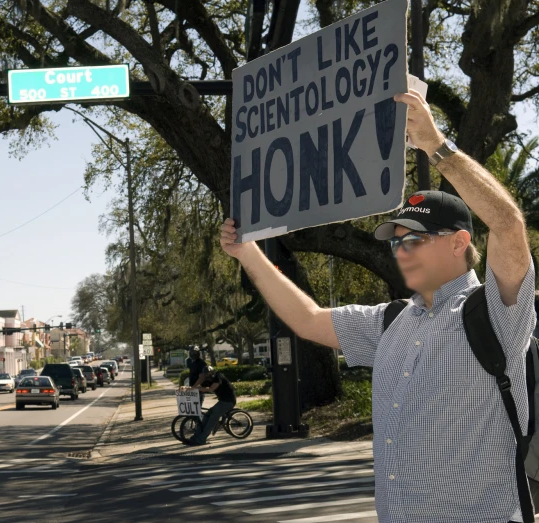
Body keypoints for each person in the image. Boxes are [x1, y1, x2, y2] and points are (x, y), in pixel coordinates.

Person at [220, 89, 536, 523]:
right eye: (396, 242)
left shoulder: (496, 312)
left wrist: (435, 145)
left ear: (460, 242)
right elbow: (307, 320)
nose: (401, 251)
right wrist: (249, 254)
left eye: (415, 240)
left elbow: (507, 223)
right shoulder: (392, 321)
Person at [187, 366, 236, 446]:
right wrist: (189, 388)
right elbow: (200, 387)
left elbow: (211, 389)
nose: (208, 378)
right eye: (206, 376)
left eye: (208, 375)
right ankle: (195, 437)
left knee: (212, 419)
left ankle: (201, 440)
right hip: (221, 401)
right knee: (206, 416)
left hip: (228, 401)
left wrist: (198, 388)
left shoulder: (218, 376)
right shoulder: (209, 378)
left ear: (212, 373)